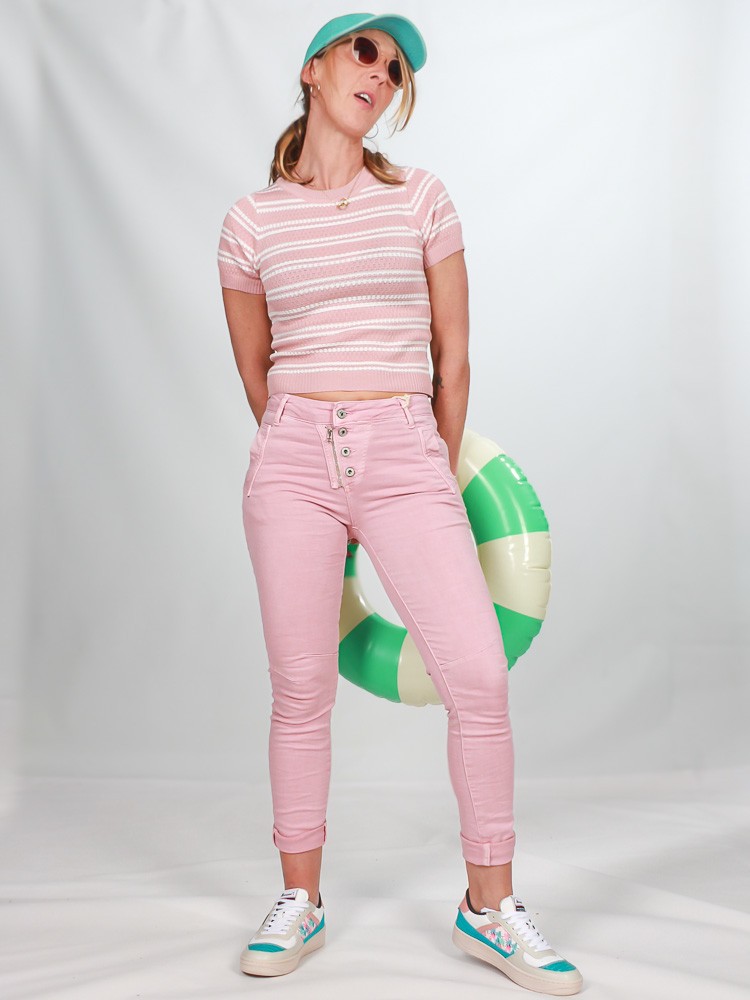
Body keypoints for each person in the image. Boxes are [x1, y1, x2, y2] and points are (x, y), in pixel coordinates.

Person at [217, 11, 582, 995]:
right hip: (293, 456)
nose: (380, 73)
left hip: (406, 450)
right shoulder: (250, 222)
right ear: (314, 68)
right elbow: (256, 369)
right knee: (301, 689)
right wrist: (306, 447)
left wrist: (422, 459)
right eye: (364, 51)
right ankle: (299, 899)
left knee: (479, 675)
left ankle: (489, 908)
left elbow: (453, 359)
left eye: (395, 70)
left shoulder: (421, 197)